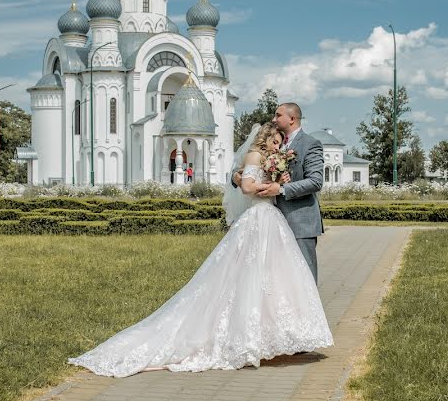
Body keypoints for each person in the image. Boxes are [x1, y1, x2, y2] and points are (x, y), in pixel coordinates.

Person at [68, 122, 333, 378]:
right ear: (265, 140)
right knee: (246, 277)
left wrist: (279, 180)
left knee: (274, 280)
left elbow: (289, 182)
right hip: (258, 220)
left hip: (273, 221)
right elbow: (246, 186)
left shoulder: (276, 156)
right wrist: (268, 186)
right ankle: (247, 337)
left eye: (280, 142)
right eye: (275, 142)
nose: (278, 146)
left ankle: (273, 337)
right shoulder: (254, 155)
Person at [232, 102, 324, 282]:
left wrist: (280, 189)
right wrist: (237, 176)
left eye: (278, 115)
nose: (273, 119)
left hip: (299, 223)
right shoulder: (271, 142)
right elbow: (245, 167)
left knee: (304, 277)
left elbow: (315, 181)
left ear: (292, 119)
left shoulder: (310, 144)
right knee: (275, 279)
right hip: (269, 222)